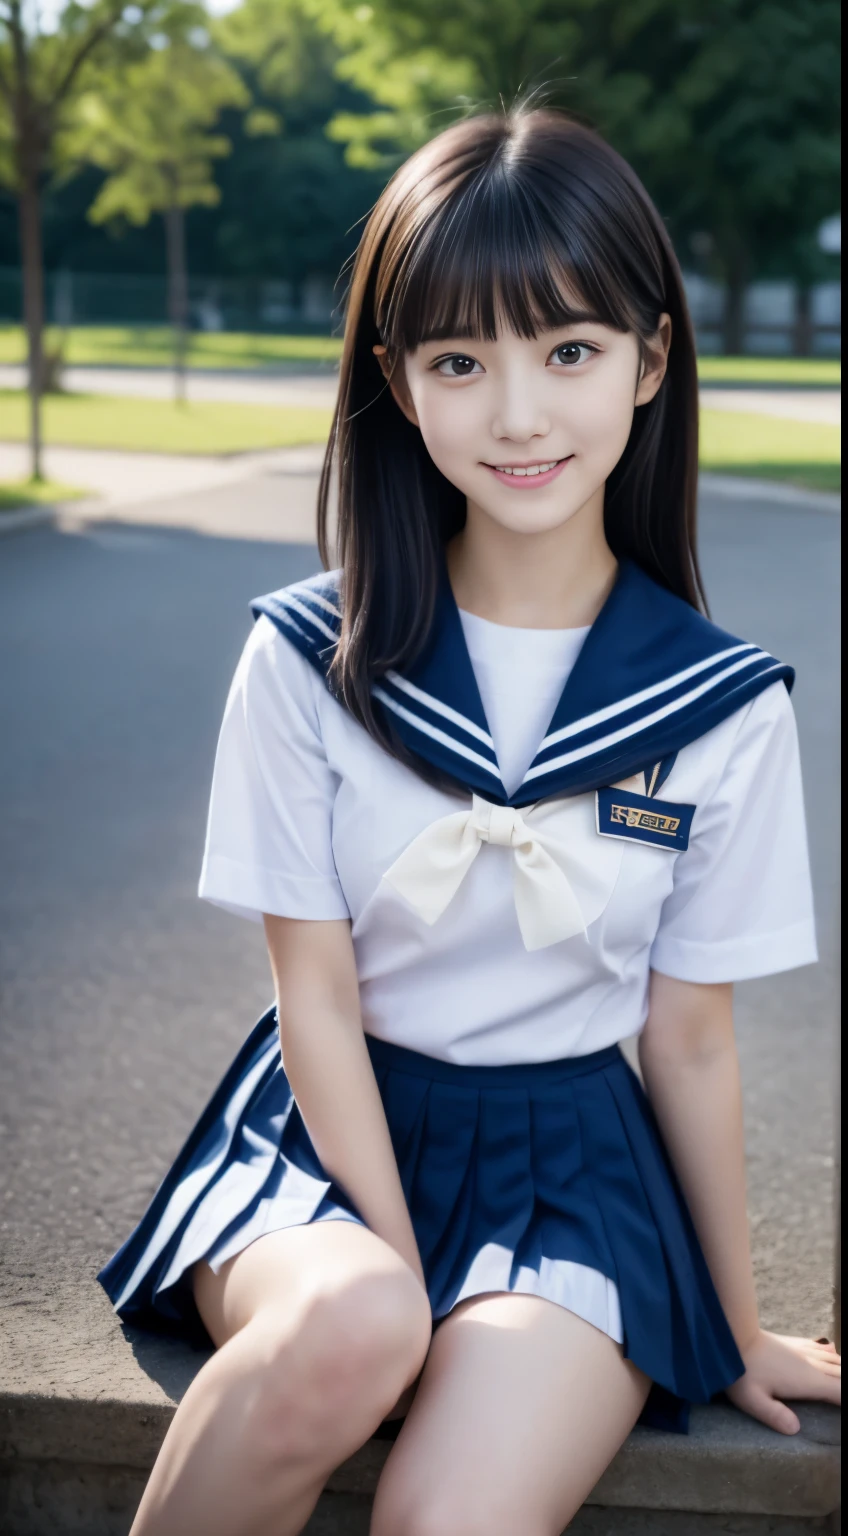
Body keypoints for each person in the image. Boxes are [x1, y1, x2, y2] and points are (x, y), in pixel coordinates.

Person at [99, 107, 840, 1536]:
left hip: (573, 1171)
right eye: (459, 360)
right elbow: (311, 995)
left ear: (650, 358)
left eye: (568, 351)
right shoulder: (310, 656)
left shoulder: (721, 708)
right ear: (399, 383)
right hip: (328, 1130)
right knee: (355, 1324)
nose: (517, 414)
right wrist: (395, 1262)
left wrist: (738, 1325)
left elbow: (689, 1039)